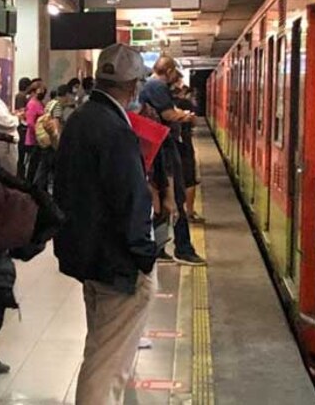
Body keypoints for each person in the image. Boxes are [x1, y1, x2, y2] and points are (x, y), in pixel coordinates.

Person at [54, 44, 157, 405]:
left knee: (103, 351)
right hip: (118, 264)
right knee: (107, 367)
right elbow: (130, 199)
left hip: (91, 258)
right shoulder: (116, 129)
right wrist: (144, 256)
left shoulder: (80, 120)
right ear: (133, 85)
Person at [140, 56, 206, 266]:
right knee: (176, 197)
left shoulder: (149, 86)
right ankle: (183, 249)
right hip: (163, 148)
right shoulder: (157, 86)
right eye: (174, 73)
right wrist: (186, 116)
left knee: (163, 198)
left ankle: (159, 248)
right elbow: (168, 114)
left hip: (158, 147)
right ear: (168, 71)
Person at [173, 84, 204, 223]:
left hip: (171, 145)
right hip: (185, 145)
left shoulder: (165, 104)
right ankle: (189, 212)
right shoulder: (186, 103)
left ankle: (177, 211)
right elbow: (194, 122)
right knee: (189, 179)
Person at [24, 80, 49, 185]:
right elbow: (30, 123)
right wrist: (39, 133)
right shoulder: (32, 104)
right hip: (34, 140)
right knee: (33, 168)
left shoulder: (40, 103)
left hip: (40, 141)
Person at [15, 77, 34, 176]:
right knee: (22, 154)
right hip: (22, 127)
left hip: (21, 126)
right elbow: (22, 111)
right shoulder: (21, 96)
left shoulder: (20, 96)